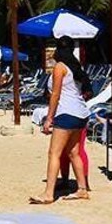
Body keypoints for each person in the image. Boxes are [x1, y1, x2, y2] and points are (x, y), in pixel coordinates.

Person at [30, 36, 92, 204]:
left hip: (66, 113)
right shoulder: (75, 67)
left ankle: (48, 193)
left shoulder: (60, 67)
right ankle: (82, 189)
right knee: (74, 153)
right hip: (81, 113)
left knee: (54, 153)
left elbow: (55, 94)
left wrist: (49, 118)